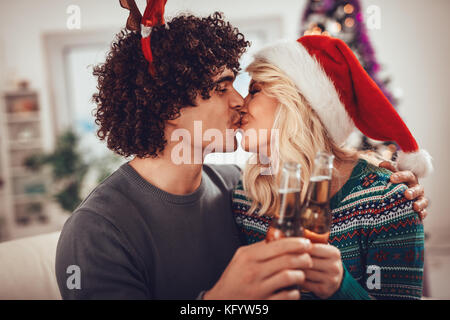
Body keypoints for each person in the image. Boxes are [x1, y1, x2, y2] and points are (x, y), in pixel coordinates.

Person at [55, 1, 429, 300]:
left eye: (247, 87)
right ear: (168, 105)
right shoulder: (97, 231)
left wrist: (392, 190)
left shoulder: (238, 188)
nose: (239, 101)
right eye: (223, 87)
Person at [230, 35, 432, 300]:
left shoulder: (386, 199)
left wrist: (340, 288)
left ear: (295, 101)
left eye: (254, 90)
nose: (240, 104)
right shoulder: (246, 198)